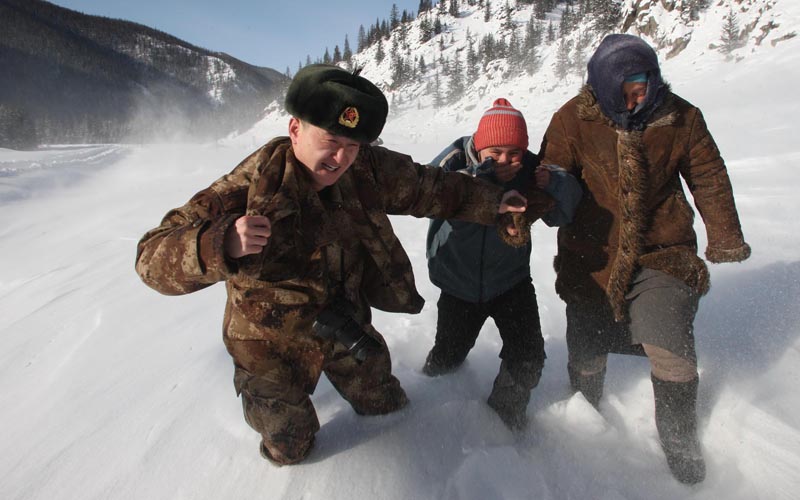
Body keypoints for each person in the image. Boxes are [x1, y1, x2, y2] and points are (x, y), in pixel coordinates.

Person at [135, 64, 528, 466]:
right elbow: (150, 257)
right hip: (269, 344)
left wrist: (491, 202)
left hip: (343, 324)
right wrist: (219, 242)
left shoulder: (365, 170)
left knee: (387, 406)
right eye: (331, 139)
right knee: (292, 449)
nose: (340, 158)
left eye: (354, 145)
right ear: (295, 130)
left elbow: (430, 187)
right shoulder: (250, 186)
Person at [538, 34, 751, 484]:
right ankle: (584, 407)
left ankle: (678, 438)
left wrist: (725, 236)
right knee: (588, 340)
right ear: (602, 86)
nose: (639, 96)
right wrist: (548, 192)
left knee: (669, 343)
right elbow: (551, 172)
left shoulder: (681, 116)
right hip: (592, 252)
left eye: (645, 84)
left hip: (663, 251)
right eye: (627, 88)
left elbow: (709, 174)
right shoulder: (571, 120)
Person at [422, 98, 581, 430]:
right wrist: (484, 176)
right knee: (448, 356)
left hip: (511, 282)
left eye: (514, 153)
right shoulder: (455, 160)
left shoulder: (531, 170)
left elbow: (565, 211)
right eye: (495, 153)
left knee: (528, 355)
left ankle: (503, 420)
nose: (506, 161)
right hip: (457, 283)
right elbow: (429, 196)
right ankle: (431, 400)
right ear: (479, 147)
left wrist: (553, 184)